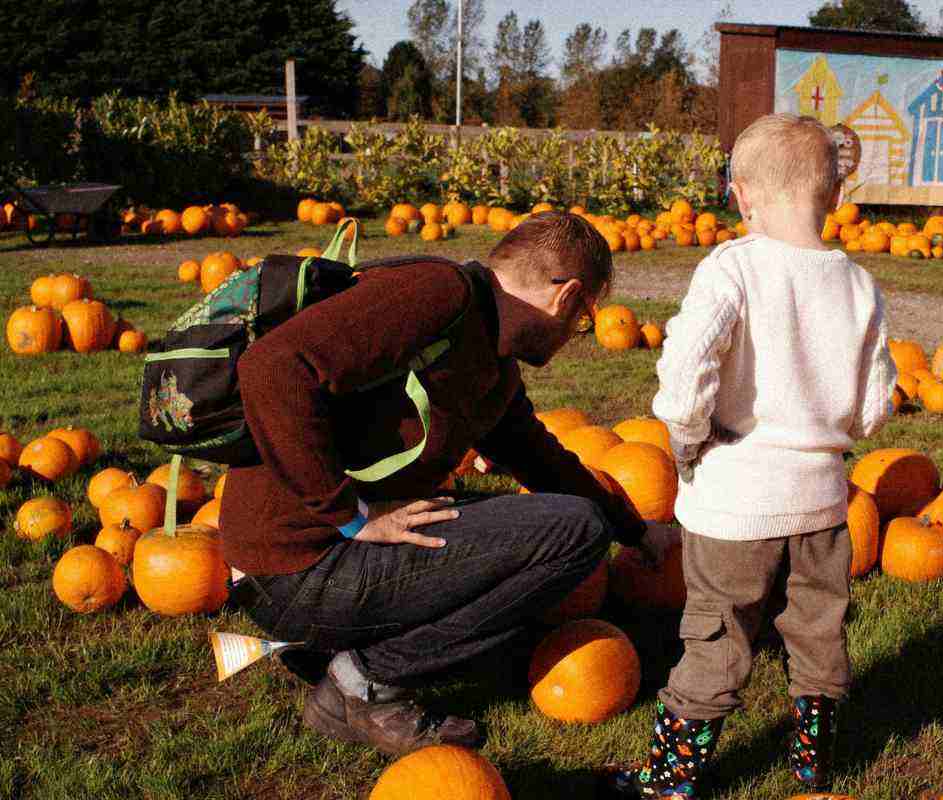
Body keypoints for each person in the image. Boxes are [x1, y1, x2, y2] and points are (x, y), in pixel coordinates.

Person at [221, 211, 675, 758]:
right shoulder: (438, 294)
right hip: (293, 566)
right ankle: (363, 683)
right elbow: (272, 366)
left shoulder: (488, 350)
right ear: (567, 296)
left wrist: (635, 532)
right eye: (583, 319)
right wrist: (349, 515)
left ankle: (335, 648)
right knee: (574, 532)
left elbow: (538, 456)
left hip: (320, 559)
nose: (574, 336)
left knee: (560, 524)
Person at [603, 114, 897, 797]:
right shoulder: (857, 284)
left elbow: (687, 365)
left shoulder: (732, 266)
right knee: (818, 632)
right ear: (832, 197)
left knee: (718, 639)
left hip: (733, 504)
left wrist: (686, 433)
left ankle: (670, 781)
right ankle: (812, 763)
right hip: (823, 504)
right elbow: (877, 401)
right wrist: (835, 429)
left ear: (742, 197)